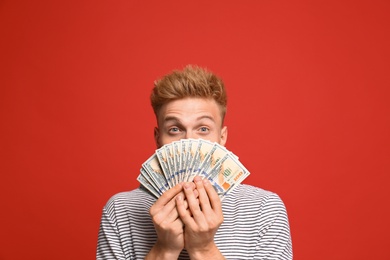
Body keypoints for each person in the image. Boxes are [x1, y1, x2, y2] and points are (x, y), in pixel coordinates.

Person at [97, 65, 293, 259]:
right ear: (158, 138)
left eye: (203, 129)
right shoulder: (120, 210)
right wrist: (164, 249)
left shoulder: (264, 208)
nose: (189, 141)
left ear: (222, 137)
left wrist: (204, 249)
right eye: (175, 129)